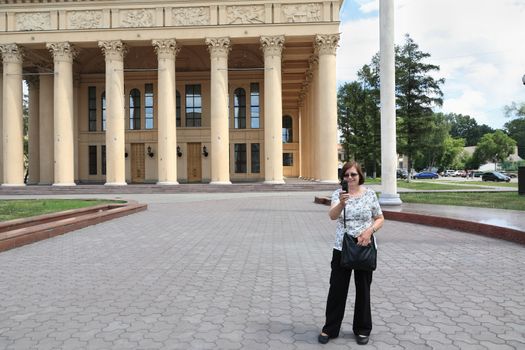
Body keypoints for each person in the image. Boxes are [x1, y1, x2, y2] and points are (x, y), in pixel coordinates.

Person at [318, 161, 384, 345]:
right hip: (342, 247)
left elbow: (380, 218)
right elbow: (332, 216)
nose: (350, 178)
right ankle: (330, 328)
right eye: (346, 175)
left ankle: (362, 329)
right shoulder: (338, 195)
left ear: (359, 176)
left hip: (364, 245)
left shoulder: (369, 194)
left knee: (363, 289)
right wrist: (341, 202)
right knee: (337, 289)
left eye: (353, 174)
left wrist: (370, 231)